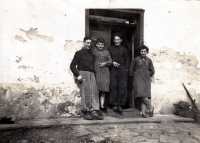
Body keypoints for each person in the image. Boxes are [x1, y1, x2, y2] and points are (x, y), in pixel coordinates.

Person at [70, 37, 102, 120]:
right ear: (83, 43)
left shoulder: (92, 54)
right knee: (86, 93)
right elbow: (72, 65)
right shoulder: (79, 53)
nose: (89, 45)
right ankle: (86, 111)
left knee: (94, 93)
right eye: (87, 43)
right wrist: (78, 75)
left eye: (90, 43)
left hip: (92, 74)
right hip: (83, 74)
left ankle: (94, 111)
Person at [129, 44, 155, 118]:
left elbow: (152, 71)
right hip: (138, 79)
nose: (143, 53)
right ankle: (150, 107)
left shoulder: (149, 60)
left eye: (144, 51)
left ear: (147, 52)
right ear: (140, 52)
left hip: (146, 80)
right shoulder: (136, 59)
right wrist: (137, 74)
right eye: (142, 51)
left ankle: (143, 112)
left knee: (144, 95)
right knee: (140, 94)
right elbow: (131, 69)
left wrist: (146, 73)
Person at [108, 33, 129, 115]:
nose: (116, 41)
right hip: (113, 69)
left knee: (122, 87)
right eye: (115, 40)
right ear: (113, 40)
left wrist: (125, 69)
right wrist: (112, 62)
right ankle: (114, 105)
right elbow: (108, 58)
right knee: (113, 86)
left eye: (118, 39)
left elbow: (127, 60)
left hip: (122, 69)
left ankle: (120, 105)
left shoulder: (124, 49)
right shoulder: (110, 49)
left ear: (121, 40)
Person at [92, 38, 112, 112]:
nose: (100, 46)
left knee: (103, 90)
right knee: (96, 89)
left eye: (102, 44)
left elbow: (110, 61)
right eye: (99, 44)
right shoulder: (93, 51)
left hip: (105, 72)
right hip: (96, 71)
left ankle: (102, 105)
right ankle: (96, 106)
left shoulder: (106, 52)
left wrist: (105, 63)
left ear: (104, 45)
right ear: (96, 45)